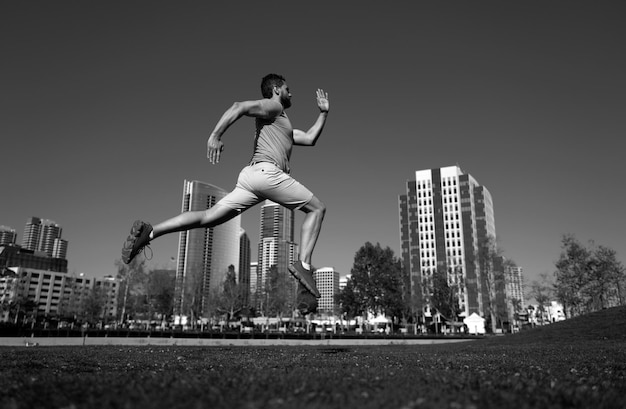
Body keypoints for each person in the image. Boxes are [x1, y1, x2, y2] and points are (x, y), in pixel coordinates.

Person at [121, 73, 329, 298]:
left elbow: (309, 138)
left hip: (250, 179)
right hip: (267, 173)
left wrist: (323, 113)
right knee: (317, 209)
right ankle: (304, 267)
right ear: (277, 90)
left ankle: (150, 233)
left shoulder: (282, 126)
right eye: (288, 88)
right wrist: (215, 135)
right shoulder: (274, 108)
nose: (291, 93)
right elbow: (239, 106)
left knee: (208, 217)